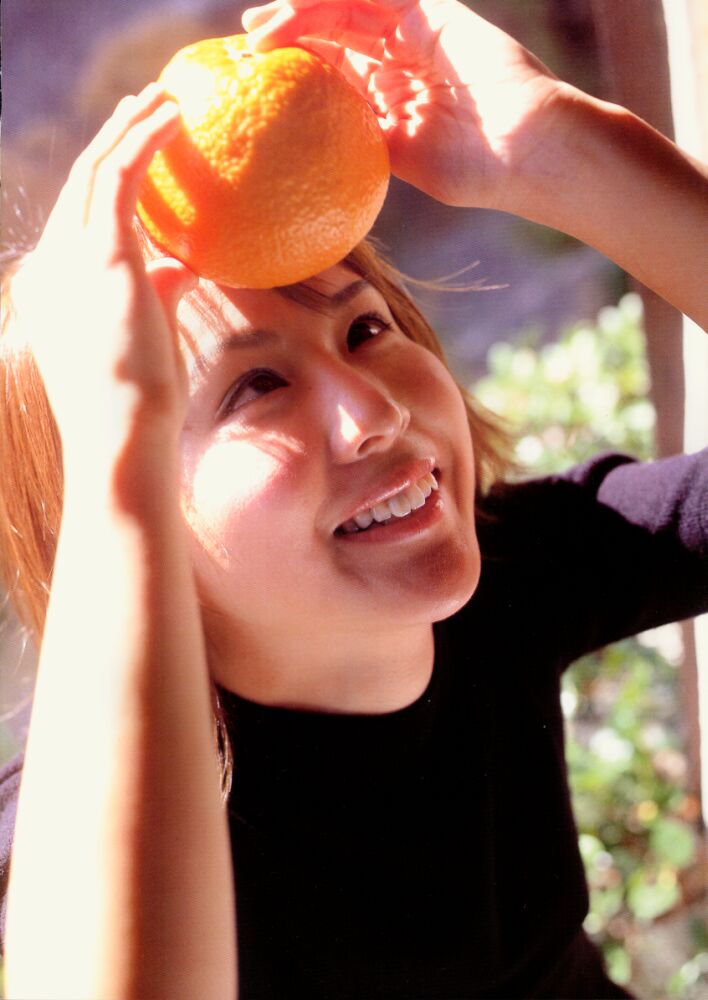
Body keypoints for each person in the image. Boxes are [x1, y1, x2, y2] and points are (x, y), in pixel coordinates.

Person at [0, 0, 706, 996]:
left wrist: (564, 151)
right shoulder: (72, 824)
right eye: (256, 387)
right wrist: (114, 434)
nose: (372, 411)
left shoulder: (524, 570)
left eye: (367, 329)